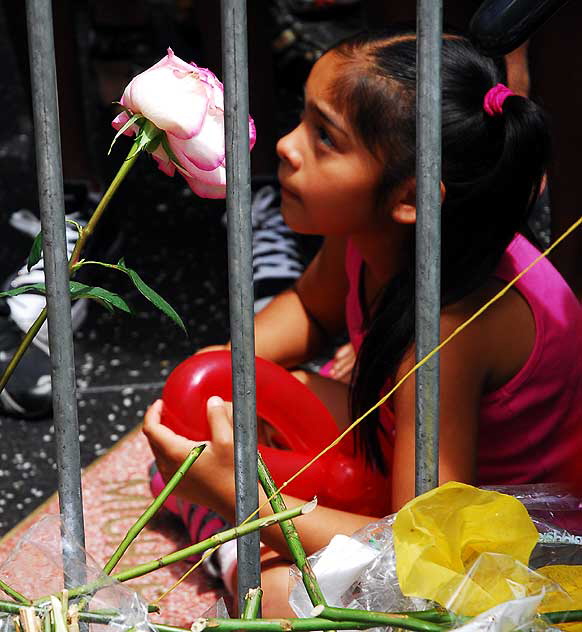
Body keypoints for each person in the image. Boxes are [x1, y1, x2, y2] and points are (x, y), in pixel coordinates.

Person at [144, 26, 582, 616]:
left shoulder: (451, 328)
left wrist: (237, 499)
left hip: (501, 544)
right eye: (302, 119)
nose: (286, 146)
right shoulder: (373, 236)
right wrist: (220, 385)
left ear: (411, 197)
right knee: (225, 426)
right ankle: (226, 514)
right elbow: (309, 310)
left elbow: (420, 547)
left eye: (324, 137)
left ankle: (226, 542)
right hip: (398, 461)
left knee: (275, 594)